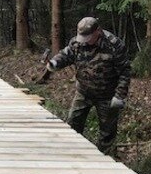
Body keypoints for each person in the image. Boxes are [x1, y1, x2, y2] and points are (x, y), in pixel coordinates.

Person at [39, 17, 130, 156]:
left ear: (98, 31)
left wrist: (119, 96)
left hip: (107, 95)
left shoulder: (114, 45)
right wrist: (54, 63)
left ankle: (105, 162)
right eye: (82, 37)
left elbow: (125, 72)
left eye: (88, 37)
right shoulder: (77, 42)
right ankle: (73, 156)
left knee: (107, 134)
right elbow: (66, 54)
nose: (84, 41)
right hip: (83, 92)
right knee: (72, 125)